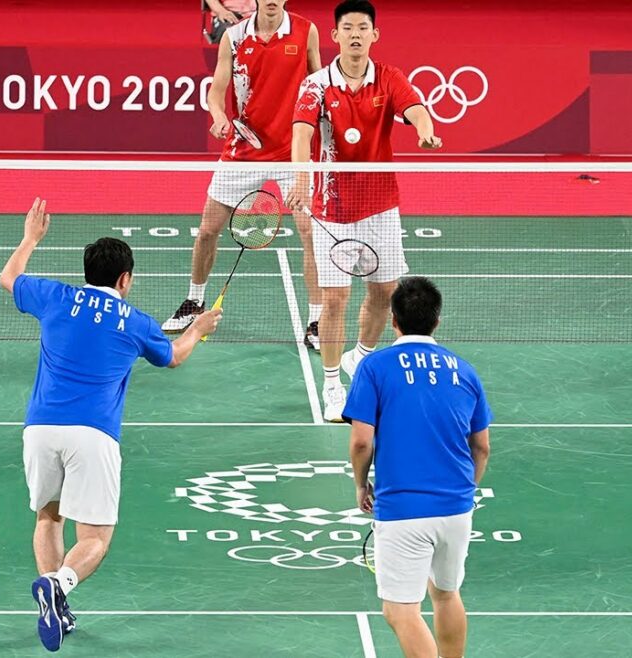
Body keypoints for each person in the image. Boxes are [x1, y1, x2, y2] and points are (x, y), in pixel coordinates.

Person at [0, 198, 222, 652]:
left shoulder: (57, 297)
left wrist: (30, 239)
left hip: (39, 429)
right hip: (93, 434)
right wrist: (198, 328)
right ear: (125, 279)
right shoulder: (136, 322)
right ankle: (59, 586)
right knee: (96, 538)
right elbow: (174, 357)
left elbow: (9, 279)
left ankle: (54, 605)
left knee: (48, 516)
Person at [286, 0, 442, 422]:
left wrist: (426, 132)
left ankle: (362, 355)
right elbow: (301, 134)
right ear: (335, 36)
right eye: (348, 28)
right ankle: (333, 384)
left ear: (375, 35)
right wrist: (301, 178)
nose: (356, 34)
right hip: (332, 206)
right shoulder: (315, 86)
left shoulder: (388, 78)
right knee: (335, 299)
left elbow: (415, 109)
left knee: (383, 292)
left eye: (363, 27)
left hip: (380, 206)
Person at [164, 0, 327, 352]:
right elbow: (216, 89)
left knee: (309, 233)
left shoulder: (305, 30)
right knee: (208, 229)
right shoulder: (235, 37)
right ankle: (194, 303)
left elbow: (320, 85)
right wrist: (219, 116)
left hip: (292, 152)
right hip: (244, 148)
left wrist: (321, 132)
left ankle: (316, 321)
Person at [343, 277, 492, 658]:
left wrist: (361, 486)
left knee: (399, 610)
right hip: (457, 509)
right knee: (445, 594)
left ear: (393, 320)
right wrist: (464, 490)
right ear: (437, 321)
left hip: (404, 510)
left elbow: (361, 441)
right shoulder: (465, 370)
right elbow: (482, 448)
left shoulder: (374, 367)